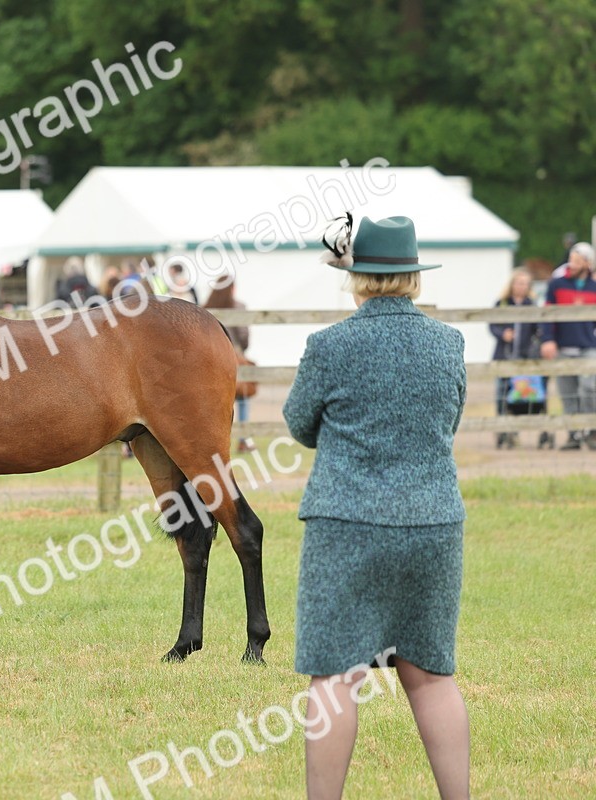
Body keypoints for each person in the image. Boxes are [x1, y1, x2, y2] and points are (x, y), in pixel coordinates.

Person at [284, 215, 469, 800]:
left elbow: (298, 423)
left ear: (357, 276)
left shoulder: (328, 345)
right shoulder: (449, 343)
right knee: (432, 678)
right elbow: (448, 423)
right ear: (415, 275)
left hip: (347, 523)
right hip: (434, 521)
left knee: (335, 680)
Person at [539, 242, 596, 450]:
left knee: (589, 387)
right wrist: (547, 339)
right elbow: (546, 315)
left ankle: (591, 429)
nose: (571, 264)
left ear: (587, 264)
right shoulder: (556, 285)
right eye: (571, 259)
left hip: (588, 346)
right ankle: (574, 434)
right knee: (567, 392)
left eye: (577, 260)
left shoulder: (594, 287)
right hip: (563, 346)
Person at [488, 267, 540, 449]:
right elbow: (492, 325)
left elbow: (538, 328)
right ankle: (501, 431)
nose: (522, 287)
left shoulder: (531, 305)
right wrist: (503, 334)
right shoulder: (502, 303)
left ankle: (514, 432)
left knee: (518, 395)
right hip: (504, 355)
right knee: (501, 394)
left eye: (526, 283)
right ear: (512, 284)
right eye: (519, 283)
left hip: (523, 357)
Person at [204, 280, 253, 451]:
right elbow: (243, 334)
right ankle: (244, 439)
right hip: (234, 355)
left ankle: (215, 440)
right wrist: (242, 349)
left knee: (216, 401)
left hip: (212, 356)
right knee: (243, 398)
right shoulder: (239, 306)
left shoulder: (206, 306)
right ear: (232, 288)